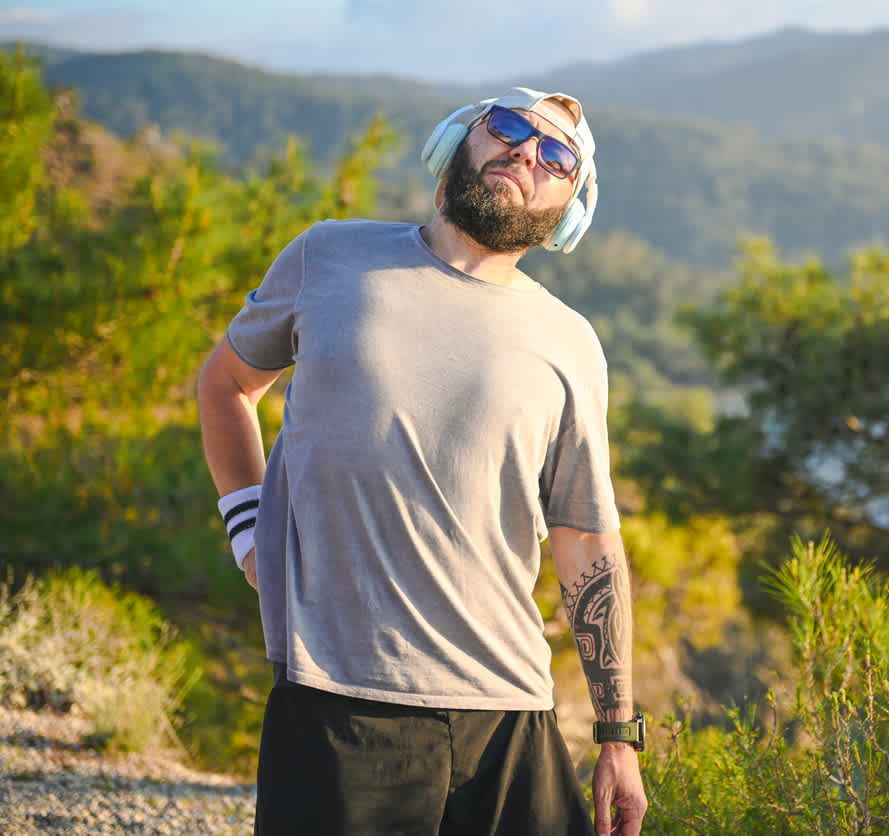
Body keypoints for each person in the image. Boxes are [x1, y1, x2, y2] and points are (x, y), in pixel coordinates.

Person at [197, 86, 647, 836]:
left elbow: (587, 542)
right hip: (339, 701)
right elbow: (226, 384)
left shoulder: (571, 342)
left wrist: (616, 736)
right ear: (455, 143)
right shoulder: (328, 256)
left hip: (511, 712)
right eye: (508, 127)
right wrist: (247, 530)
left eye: (557, 155)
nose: (526, 151)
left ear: (570, 209)